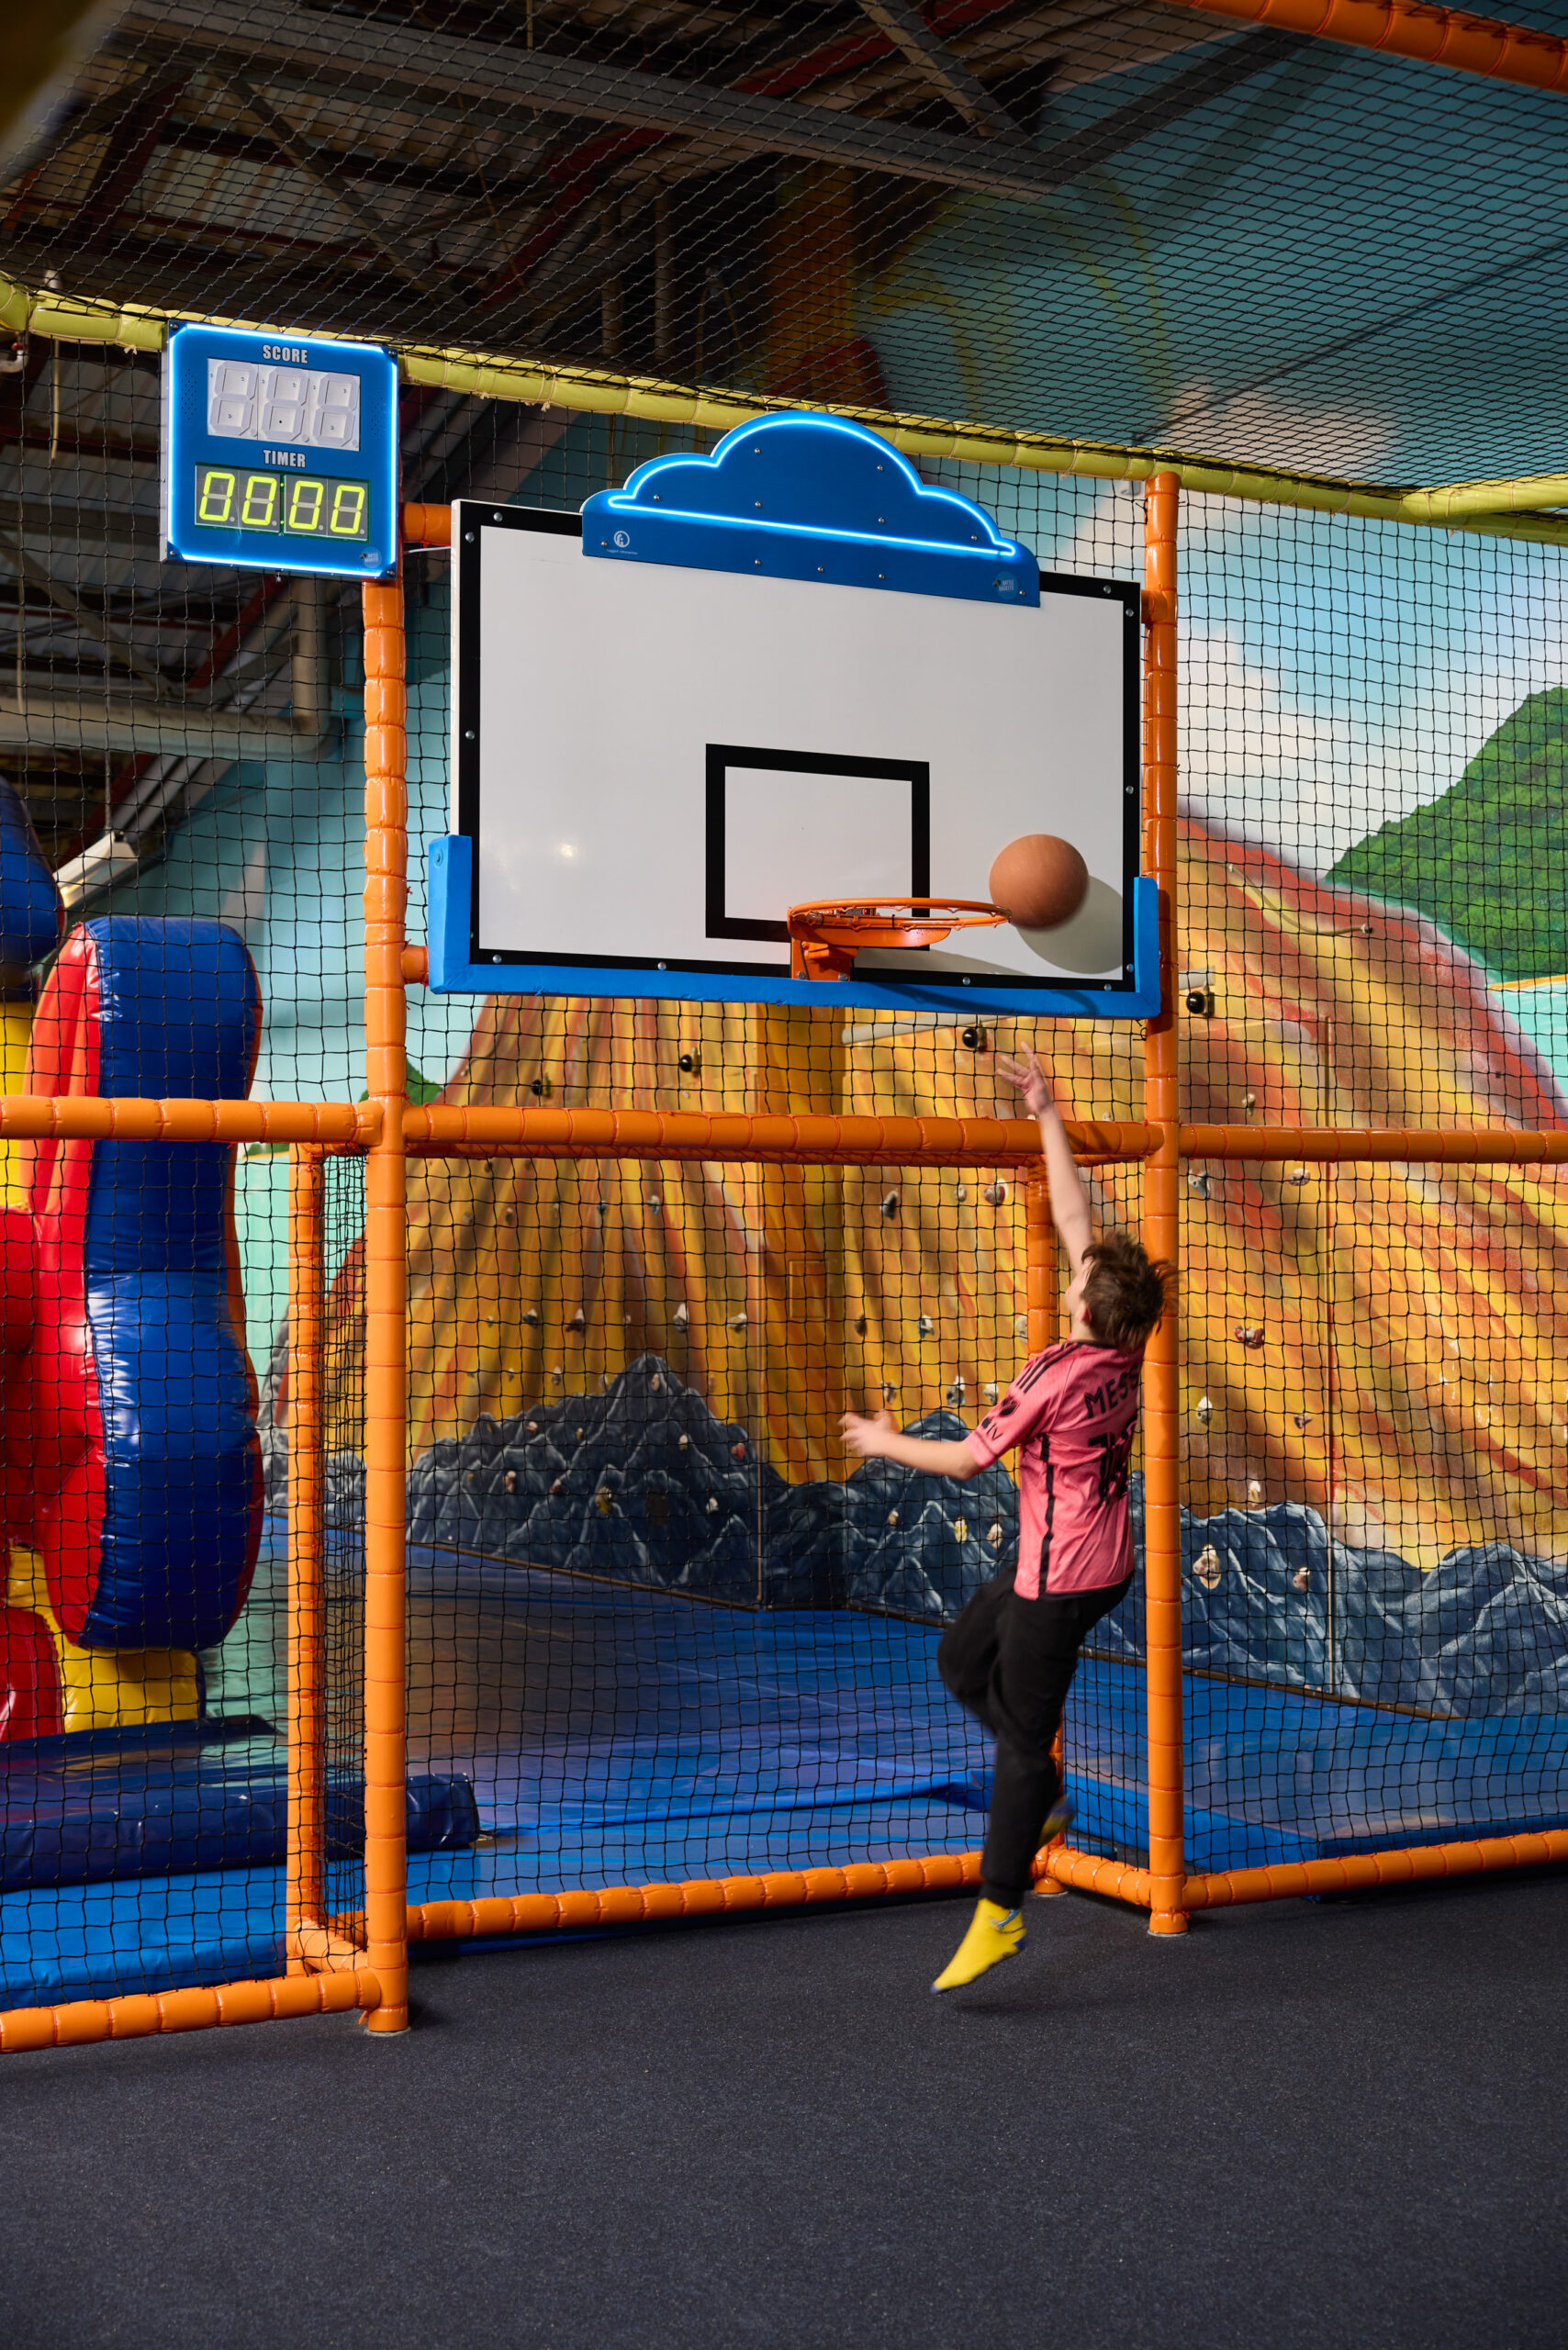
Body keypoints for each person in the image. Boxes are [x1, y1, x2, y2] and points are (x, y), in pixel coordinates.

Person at [840, 1051, 1173, 1993]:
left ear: (1084, 1305)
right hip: (1097, 1564)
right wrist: (1045, 1109)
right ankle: (1045, 1793)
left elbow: (964, 1460)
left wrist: (883, 1440)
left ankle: (998, 1910)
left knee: (1023, 1743)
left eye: (1080, 1274)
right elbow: (1075, 1219)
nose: (1075, 1261)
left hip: (1061, 1580)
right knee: (960, 1661)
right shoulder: (1125, 1343)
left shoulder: (1053, 1376)